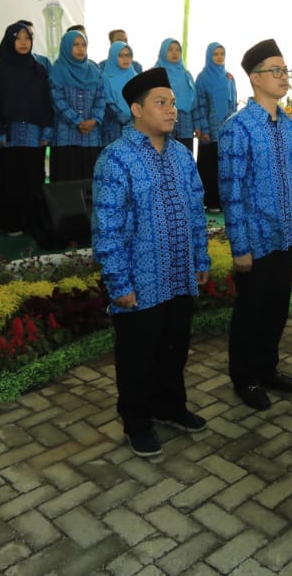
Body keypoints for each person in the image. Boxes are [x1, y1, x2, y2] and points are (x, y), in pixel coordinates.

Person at [92, 68, 211, 459]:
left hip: (179, 275)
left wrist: (200, 258)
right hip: (140, 281)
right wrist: (118, 284)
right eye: (161, 103)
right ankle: (137, 421)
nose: (172, 110)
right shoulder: (116, 159)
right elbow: (106, 228)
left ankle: (170, 407)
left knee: (174, 348)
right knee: (137, 355)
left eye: (173, 102)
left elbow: (196, 212)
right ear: (137, 109)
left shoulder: (180, 155)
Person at [219, 38, 292, 411]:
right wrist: (240, 246)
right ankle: (245, 377)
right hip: (256, 238)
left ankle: (268, 368)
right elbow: (230, 191)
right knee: (251, 310)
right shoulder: (237, 128)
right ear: (255, 79)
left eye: (285, 70)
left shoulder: (286, 126)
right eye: (276, 71)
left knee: (276, 307)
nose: (284, 77)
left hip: (285, 236)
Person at [0, 23, 53, 235]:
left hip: (34, 134)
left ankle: (32, 222)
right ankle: (12, 223)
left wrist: (46, 131)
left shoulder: (38, 69)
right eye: (19, 38)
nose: (24, 43)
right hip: (8, 133)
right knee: (10, 178)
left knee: (33, 178)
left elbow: (46, 102)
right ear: (10, 40)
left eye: (28, 38)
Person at [49, 29, 105, 182]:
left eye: (83, 45)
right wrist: (77, 122)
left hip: (91, 137)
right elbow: (57, 100)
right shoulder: (57, 70)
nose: (81, 49)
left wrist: (93, 120)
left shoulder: (94, 70)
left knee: (90, 180)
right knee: (66, 181)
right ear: (66, 47)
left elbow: (101, 98)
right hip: (65, 137)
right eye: (75, 45)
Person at [193, 42, 238, 211]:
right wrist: (202, 128)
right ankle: (210, 201)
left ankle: (223, 200)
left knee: (226, 166)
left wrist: (234, 126)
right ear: (209, 56)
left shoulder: (229, 77)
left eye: (222, 54)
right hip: (210, 131)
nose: (219, 57)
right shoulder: (202, 77)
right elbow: (199, 105)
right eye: (216, 54)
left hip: (227, 129)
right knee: (209, 166)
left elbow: (233, 102)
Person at [155, 39, 196, 152]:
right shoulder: (156, 73)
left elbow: (194, 101)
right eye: (170, 50)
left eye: (178, 50)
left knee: (185, 156)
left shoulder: (186, 74)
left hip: (185, 123)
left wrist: (197, 126)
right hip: (163, 120)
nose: (175, 53)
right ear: (163, 51)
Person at [101, 41, 138, 145]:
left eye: (128, 55)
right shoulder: (106, 77)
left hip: (135, 126)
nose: (125, 59)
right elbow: (108, 103)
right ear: (113, 57)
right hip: (113, 127)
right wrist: (126, 119)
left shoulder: (135, 76)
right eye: (121, 56)